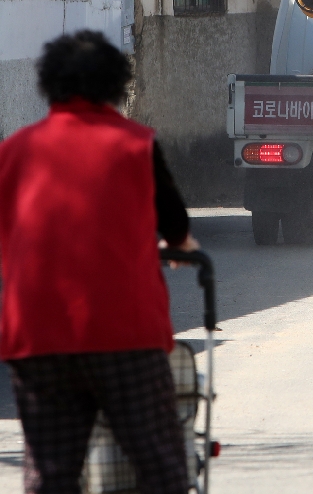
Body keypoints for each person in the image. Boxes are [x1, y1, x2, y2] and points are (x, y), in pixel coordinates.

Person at [0, 30, 199, 494]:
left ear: (49, 85)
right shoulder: (134, 144)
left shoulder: (14, 151)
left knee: (51, 473)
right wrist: (182, 246)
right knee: (159, 462)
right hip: (123, 335)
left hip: (38, 337)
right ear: (116, 84)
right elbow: (174, 224)